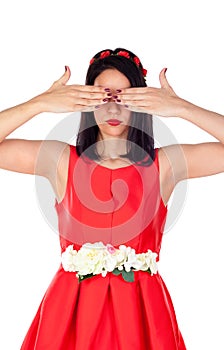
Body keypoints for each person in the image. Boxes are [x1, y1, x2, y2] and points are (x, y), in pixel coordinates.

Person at [0, 47, 223, 350]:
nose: (113, 109)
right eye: (103, 97)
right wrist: (40, 104)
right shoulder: (62, 161)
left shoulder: (165, 164)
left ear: (142, 104)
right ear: (86, 103)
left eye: (125, 98)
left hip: (143, 312)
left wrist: (182, 108)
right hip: (70, 312)